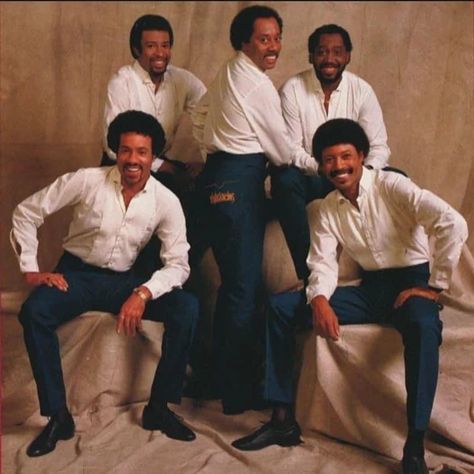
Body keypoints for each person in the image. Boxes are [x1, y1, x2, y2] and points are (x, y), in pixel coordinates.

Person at [232, 119, 468, 474]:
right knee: (281, 307)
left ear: (362, 156)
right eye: (329, 159)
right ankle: (281, 419)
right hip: (371, 290)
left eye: (346, 156)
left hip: (411, 284)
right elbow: (323, 262)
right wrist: (320, 301)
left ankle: (415, 444)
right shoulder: (327, 208)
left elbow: (452, 223)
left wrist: (435, 287)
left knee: (422, 328)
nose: (339, 166)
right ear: (321, 165)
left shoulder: (393, 185)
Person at [11, 111, 199, 458]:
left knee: (186, 307)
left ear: (153, 156)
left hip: (125, 281)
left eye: (142, 152)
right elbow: (27, 212)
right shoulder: (86, 180)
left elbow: (179, 264)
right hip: (76, 276)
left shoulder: (165, 200)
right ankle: (58, 416)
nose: (132, 159)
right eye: (125, 150)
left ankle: (158, 408)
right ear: (115, 151)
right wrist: (31, 269)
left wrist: (142, 293)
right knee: (34, 312)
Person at [191, 4, 312, 414]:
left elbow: (200, 112)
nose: (273, 46)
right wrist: (318, 166)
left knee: (232, 289)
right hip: (238, 182)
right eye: (264, 39)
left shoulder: (230, 69)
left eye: (277, 38)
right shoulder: (258, 85)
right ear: (244, 41)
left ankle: (217, 378)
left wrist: (213, 145)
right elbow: (280, 153)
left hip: (214, 177)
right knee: (242, 292)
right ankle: (237, 395)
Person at [271, 24, 392, 282]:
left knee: (397, 177)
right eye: (322, 52)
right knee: (284, 180)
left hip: (356, 175)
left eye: (337, 52)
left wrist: (361, 176)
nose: (329, 59)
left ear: (347, 55)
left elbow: (379, 146)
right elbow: (289, 147)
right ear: (311, 56)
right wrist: (322, 168)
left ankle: (386, 279)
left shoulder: (362, 90)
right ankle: (310, 276)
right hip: (314, 174)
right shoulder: (292, 89)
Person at [102, 14, 206, 195]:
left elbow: (211, 114)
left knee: (208, 184)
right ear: (136, 49)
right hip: (123, 166)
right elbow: (113, 145)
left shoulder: (182, 80)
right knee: (172, 190)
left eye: (165, 45)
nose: (160, 53)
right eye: (151, 46)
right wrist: (164, 166)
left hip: (159, 164)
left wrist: (208, 161)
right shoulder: (122, 82)